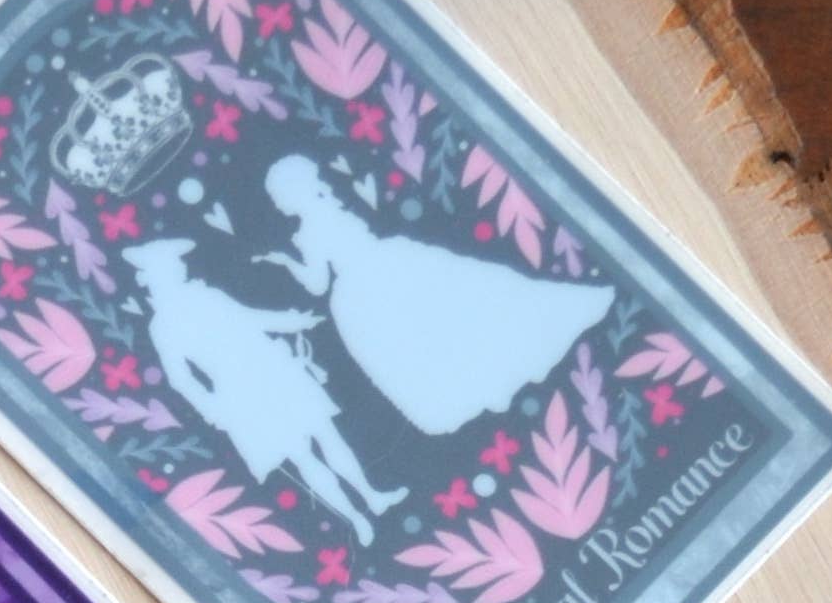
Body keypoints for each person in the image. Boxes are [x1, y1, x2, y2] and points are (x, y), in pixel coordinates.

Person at [260, 154, 616, 436]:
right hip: (381, 274)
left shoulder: (313, 229)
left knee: (446, 317)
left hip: (378, 279)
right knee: (439, 327)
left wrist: (286, 262)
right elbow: (338, 263)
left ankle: (492, 377)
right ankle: (492, 376)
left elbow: (318, 284)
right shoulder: (328, 215)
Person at [122, 235, 406, 539]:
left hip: (273, 369)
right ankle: (355, 518)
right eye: (172, 267)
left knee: (327, 435)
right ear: (156, 277)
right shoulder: (163, 326)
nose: (180, 269)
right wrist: (213, 410)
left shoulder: (207, 295)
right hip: (240, 392)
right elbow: (181, 379)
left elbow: (250, 319)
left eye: (177, 265)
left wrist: (293, 322)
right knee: (303, 457)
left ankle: (371, 496)